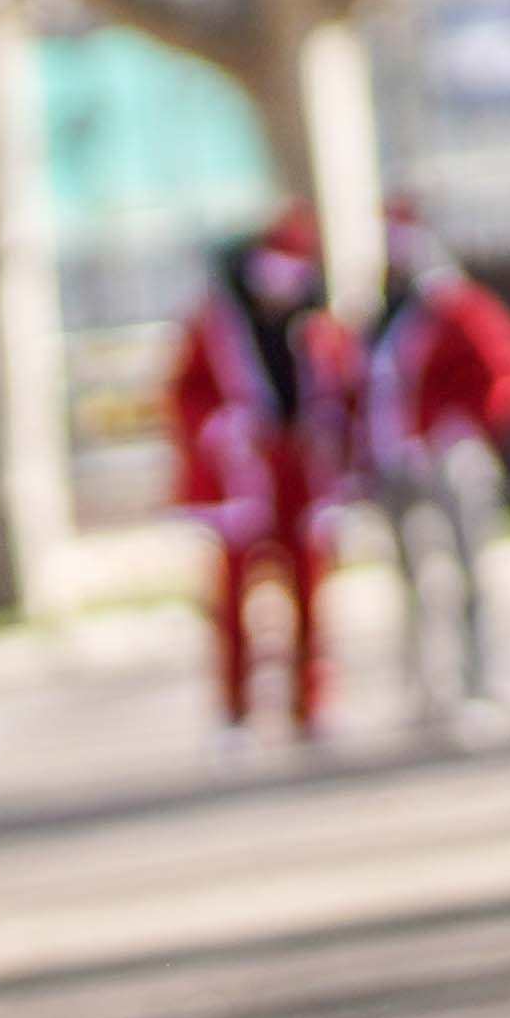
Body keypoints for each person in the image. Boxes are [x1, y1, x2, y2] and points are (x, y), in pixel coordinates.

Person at [170, 217, 360, 756]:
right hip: (243, 478)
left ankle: (313, 702)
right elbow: (186, 400)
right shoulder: (213, 329)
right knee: (234, 602)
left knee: (311, 596)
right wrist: (227, 430)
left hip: (303, 476)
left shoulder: (319, 331)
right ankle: (233, 709)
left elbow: (347, 395)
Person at [362, 217, 510, 735]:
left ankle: (486, 683)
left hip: (451, 460)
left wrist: (464, 431)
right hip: (397, 463)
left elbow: (507, 375)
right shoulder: (384, 317)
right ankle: (426, 689)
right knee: (411, 583)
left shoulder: (459, 307)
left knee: (470, 575)